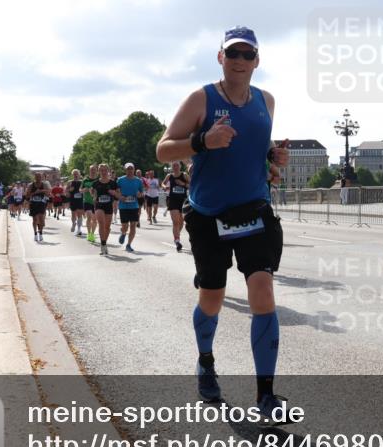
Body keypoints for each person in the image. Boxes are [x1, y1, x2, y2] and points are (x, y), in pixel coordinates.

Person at [156, 25, 291, 422]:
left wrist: (273, 158)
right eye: (233, 53)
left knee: (262, 290)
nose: (240, 60)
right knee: (212, 296)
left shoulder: (266, 101)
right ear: (220, 57)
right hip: (209, 214)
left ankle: (266, 395)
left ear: (257, 61)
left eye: (248, 54)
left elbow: (257, 148)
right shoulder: (202, 98)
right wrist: (202, 142)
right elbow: (164, 150)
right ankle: (205, 360)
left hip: (253, 210)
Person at [116, 163, 145, 252]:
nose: (130, 170)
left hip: (134, 206)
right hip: (123, 206)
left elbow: (142, 193)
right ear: (125, 170)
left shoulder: (138, 181)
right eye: (128, 169)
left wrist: (139, 195)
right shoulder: (120, 180)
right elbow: (116, 191)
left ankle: (128, 244)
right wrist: (120, 196)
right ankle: (123, 233)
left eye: (131, 168)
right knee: (125, 226)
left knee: (133, 226)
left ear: (134, 169)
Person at [92, 163, 120, 255]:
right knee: (101, 223)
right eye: (101, 170)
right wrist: (93, 195)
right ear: (99, 171)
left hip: (109, 206)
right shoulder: (95, 183)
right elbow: (93, 193)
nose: (103, 172)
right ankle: (103, 244)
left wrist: (114, 193)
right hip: (99, 205)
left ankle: (104, 243)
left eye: (105, 170)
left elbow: (119, 195)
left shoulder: (113, 183)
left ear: (108, 171)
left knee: (107, 227)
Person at [164, 162, 189, 252]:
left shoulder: (184, 175)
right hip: (173, 200)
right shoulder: (169, 176)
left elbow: (192, 185)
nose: (175, 167)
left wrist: (183, 184)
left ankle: (177, 235)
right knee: (175, 222)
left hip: (183, 201)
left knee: (181, 223)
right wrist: (165, 187)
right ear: (171, 167)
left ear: (180, 166)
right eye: (173, 165)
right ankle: (177, 241)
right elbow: (163, 184)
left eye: (177, 165)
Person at [26, 173, 51, 242]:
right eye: (37, 177)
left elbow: (49, 193)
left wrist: (42, 191)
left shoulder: (44, 184)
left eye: (39, 177)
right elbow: (27, 196)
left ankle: (40, 233)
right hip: (33, 203)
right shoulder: (31, 185)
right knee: (35, 220)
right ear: (34, 177)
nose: (38, 178)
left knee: (42, 221)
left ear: (41, 178)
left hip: (42, 203)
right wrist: (34, 193)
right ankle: (35, 234)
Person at [82, 164, 98, 243]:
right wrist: (85, 189)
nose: (93, 171)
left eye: (94, 169)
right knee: (89, 217)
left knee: (94, 220)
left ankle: (92, 233)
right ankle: (89, 234)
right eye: (91, 169)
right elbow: (80, 190)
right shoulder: (85, 180)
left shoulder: (99, 180)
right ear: (89, 170)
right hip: (87, 201)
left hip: (96, 202)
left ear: (96, 171)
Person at [68, 169, 85, 236]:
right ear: (72, 175)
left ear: (79, 174)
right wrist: (69, 190)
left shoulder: (82, 182)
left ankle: (79, 229)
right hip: (73, 200)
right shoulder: (70, 182)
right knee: (73, 214)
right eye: (74, 174)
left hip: (80, 200)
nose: (75, 175)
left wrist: (82, 191)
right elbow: (66, 191)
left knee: (79, 215)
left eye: (76, 174)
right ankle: (73, 223)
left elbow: (85, 190)